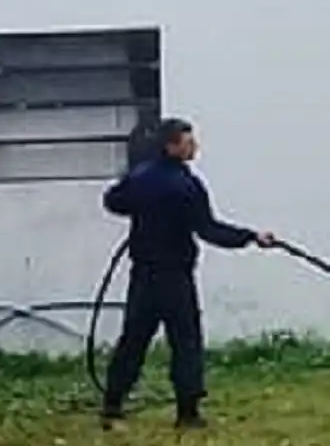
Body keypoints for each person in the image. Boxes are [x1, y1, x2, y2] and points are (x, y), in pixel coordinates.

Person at [101, 118, 275, 429]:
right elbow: (209, 229)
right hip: (175, 276)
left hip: (143, 274)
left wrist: (144, 208)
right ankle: (187, 412)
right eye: (188, 141)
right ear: (171, 146)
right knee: (185, 341)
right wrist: (251, 236)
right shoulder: (186, 185)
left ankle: (112, 404)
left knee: (134, 340)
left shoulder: (141, 176)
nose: (194, 147)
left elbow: (113, 201)